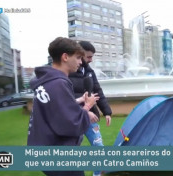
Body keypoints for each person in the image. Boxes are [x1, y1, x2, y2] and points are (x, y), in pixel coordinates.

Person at [27, 37, 99, 176]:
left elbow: (55, 109)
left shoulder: (46, 82)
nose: (80, 62)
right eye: (78, 57)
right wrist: (87, 106)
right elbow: (71, 124)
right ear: (65, 57)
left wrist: (77, 101)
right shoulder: (59, 83)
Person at [69, 41, 112, 176]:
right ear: (80, 54)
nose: (91, 60)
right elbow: (67, 100)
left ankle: (97, 174)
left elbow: (97, 91)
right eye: (89, 57)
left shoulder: (89, 71)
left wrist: (107, 112)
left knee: (99, 149)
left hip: (90, 119)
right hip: (75, 120)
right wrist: (85, 111)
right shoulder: (67, 72)